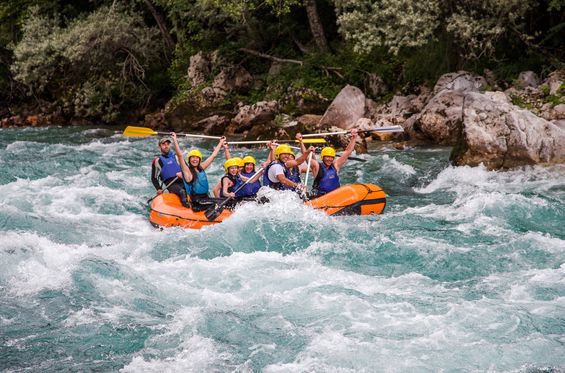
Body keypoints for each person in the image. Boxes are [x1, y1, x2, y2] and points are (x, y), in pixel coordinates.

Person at [171, 132, 226, 211]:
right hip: (197, 202)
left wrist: (220, 142)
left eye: (197, 158)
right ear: (189, 160)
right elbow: (180, 156)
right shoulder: (187, 172)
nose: (195, 159)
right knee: (220, 204)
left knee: (224, 202)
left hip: (206, 198)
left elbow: (213, 156)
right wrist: (175, 140)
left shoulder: (201, 168)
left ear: (199, 160)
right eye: (192, 157)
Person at [307, 128, 358, 198]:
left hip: (335, 197)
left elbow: (347, 152)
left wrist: (354, 138)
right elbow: (307, 159)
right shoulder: (317, 166)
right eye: (327, 157)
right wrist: (308, 151)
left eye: (331, 157)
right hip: (321, 198)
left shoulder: (336, 166)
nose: (330, 159)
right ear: (322, 157)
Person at [151, 136, 189, 207]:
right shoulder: (157, 161)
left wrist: (183, 173)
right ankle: (186, 209)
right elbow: (154, 178)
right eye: (164, 144)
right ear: (159, 147)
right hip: (171, 184)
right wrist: (159, 188)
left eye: (167, 144)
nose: (166, 146)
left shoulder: (177, 156)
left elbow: (187, 169)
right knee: (182, 192)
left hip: (182, 180)